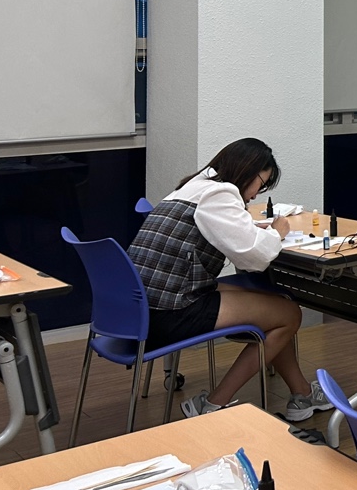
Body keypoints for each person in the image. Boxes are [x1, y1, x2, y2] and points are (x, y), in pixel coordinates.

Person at [127, 138, 331, 421]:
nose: (256, 195)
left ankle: (303, 394)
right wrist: (277, 232)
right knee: (289, 314)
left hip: (141, 309)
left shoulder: (194, 186)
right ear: (247, 172)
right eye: (261, 184)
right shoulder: (220, 194)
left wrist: (251, 227)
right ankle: (213, 404)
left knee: (277, 303)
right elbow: (255, 258)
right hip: (169, 313)